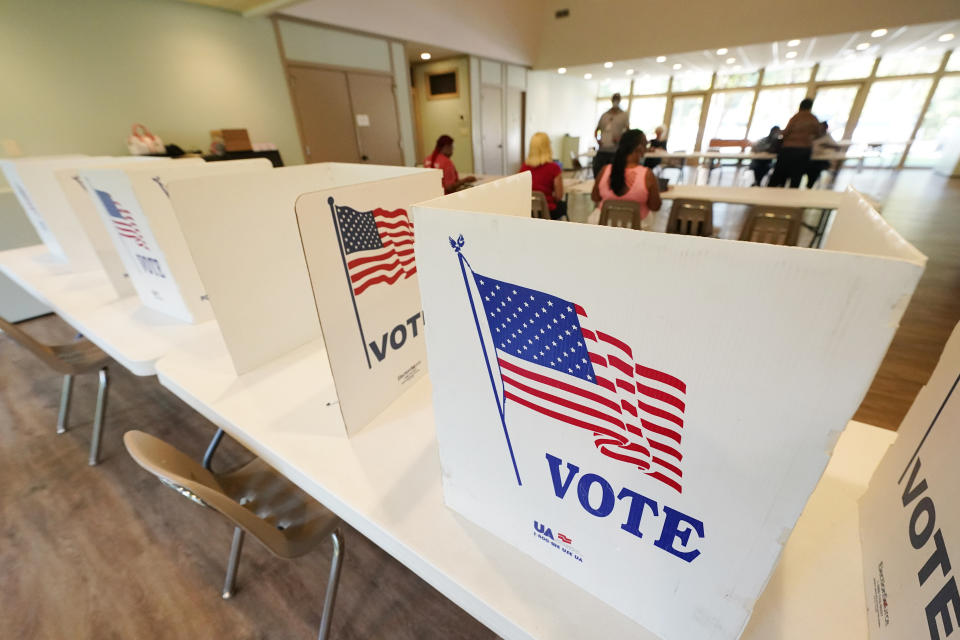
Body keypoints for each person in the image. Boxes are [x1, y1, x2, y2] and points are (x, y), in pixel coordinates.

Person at [591, 129, 662, 227]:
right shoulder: (647, 175)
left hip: (605, 226)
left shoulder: (605, 170)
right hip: (635, 229)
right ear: (639, 148)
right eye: (646, 145)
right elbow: (655, 206)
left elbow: (595, 197)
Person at [769, 98, 821, 188]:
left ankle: (772, 196)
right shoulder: (813, 119)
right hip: (804, 150)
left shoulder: (796, 117)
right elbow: (818, 134)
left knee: (779, 174)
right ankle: (791, 198)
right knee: (797, 175)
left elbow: (786, 133)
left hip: (788, 149)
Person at [520, 132, 566, 220]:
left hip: (528, 211)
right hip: (547, 211)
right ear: (547, 147)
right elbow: (559, 196)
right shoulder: (554, 168)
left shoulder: (524, 168)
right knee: (562, 206)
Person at [592, 93, 630, 178]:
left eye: (617, 99)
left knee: (613, 175)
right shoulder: (605, 115)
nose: (615, 101)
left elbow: (627, 132)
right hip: (602, 149)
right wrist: (598, 140)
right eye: (614, 99)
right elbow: (597, 129)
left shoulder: (623, 115)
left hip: (615, 151)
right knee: (598, 172)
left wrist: (620, 139)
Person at [806, 121, 841, 188]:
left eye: (822, 128)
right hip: (810, 157)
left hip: (821, 160)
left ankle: (809, 185)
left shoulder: (827, 137)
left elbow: (837, 147)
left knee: (814, 168)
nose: (820, 129)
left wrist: (826, 145)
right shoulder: (812, 135)